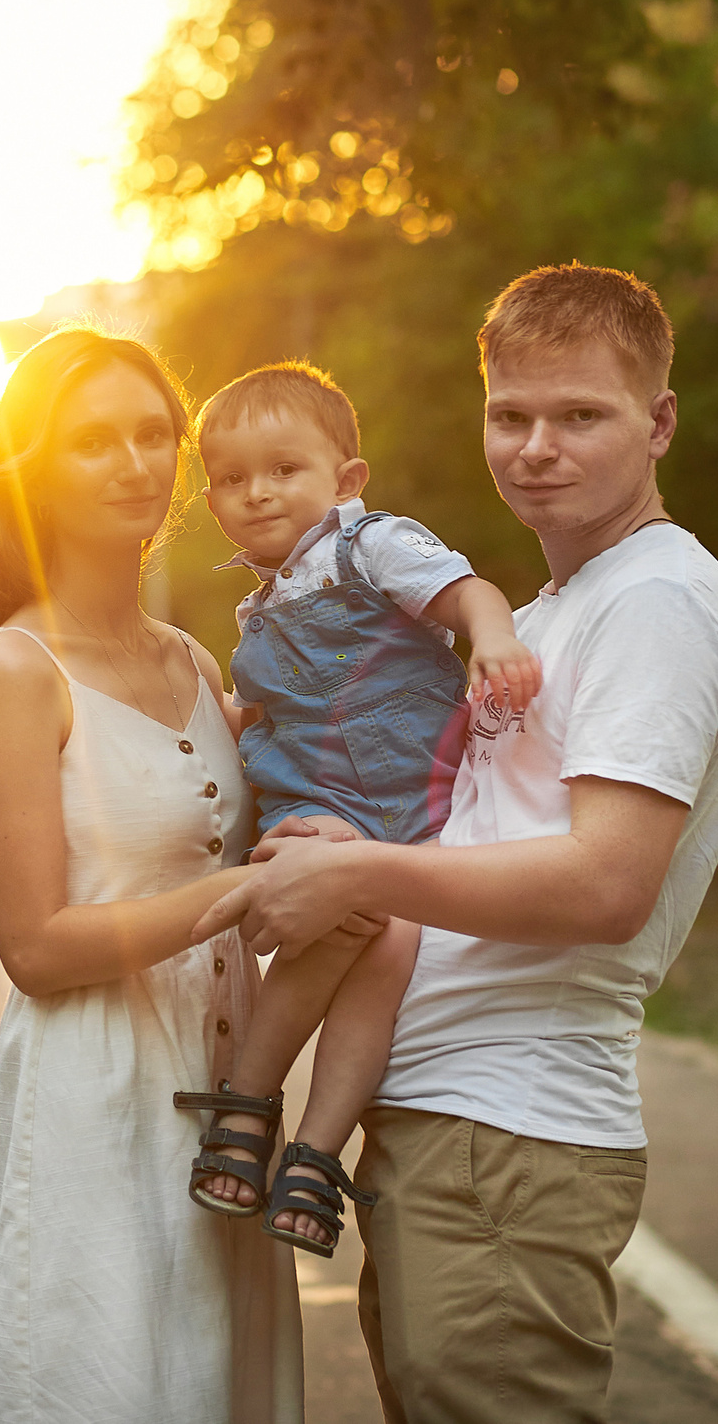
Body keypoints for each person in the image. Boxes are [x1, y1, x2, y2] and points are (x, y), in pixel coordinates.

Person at [194, 265, 718, 1424]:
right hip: (442, 1125)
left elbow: (607, 883)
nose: (536, 446)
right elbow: (452, 821)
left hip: (511, 1134)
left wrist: (354, 872)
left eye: (580, 415)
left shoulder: (655, 603)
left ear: (657, 423)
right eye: (511, 415)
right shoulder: (556, 609)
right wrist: (335, 829)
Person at [0, 327, 302, 1424]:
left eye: (153, 434)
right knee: (104, 1382)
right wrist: (233, 895)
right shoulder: (18, 667)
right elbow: (35, 947)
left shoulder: (195, 659)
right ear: (34, 467)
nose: (134, 462)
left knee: (213, 1382)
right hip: (91, 1092)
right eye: (93, 439)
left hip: (224, 1097)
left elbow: (249, 863)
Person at [179, 362, 540, 1260]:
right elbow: (265, 713)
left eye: (282, 468)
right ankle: (252, 1105)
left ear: (345, 480)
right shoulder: (256, 605)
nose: (255, 492)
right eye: (230, 478)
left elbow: (469, 593)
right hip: (314, 811)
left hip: (407, 816)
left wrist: (492, 637)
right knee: (350, 924)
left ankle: (313, 1150)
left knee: (391, 946)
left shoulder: (370, 545)